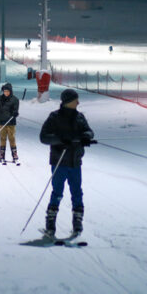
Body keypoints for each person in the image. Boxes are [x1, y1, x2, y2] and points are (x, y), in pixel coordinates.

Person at [39, 89, 95, 238]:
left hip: (75, 162)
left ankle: (77, 223)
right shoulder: (55, 117)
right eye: (76, 100)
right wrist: (60, 139)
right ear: (68, 101)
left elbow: (89, 132)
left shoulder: (79, 117)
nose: (78, 102)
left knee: (77, 192)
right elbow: (44, 137)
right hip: (59, 161)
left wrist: (85, 137)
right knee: (57, 192)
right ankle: (50, 224)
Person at [0, 83, 20, 162]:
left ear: (10, 91)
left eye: (7, 91)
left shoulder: (15, 100)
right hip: (1, 121)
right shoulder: (0, 98)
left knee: (11, 138)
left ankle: (14, 154)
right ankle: (2, 155)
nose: (6, 93)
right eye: (5, 91)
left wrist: (15, 113)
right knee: (2, 138)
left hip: (10, 122)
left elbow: (15, 110)